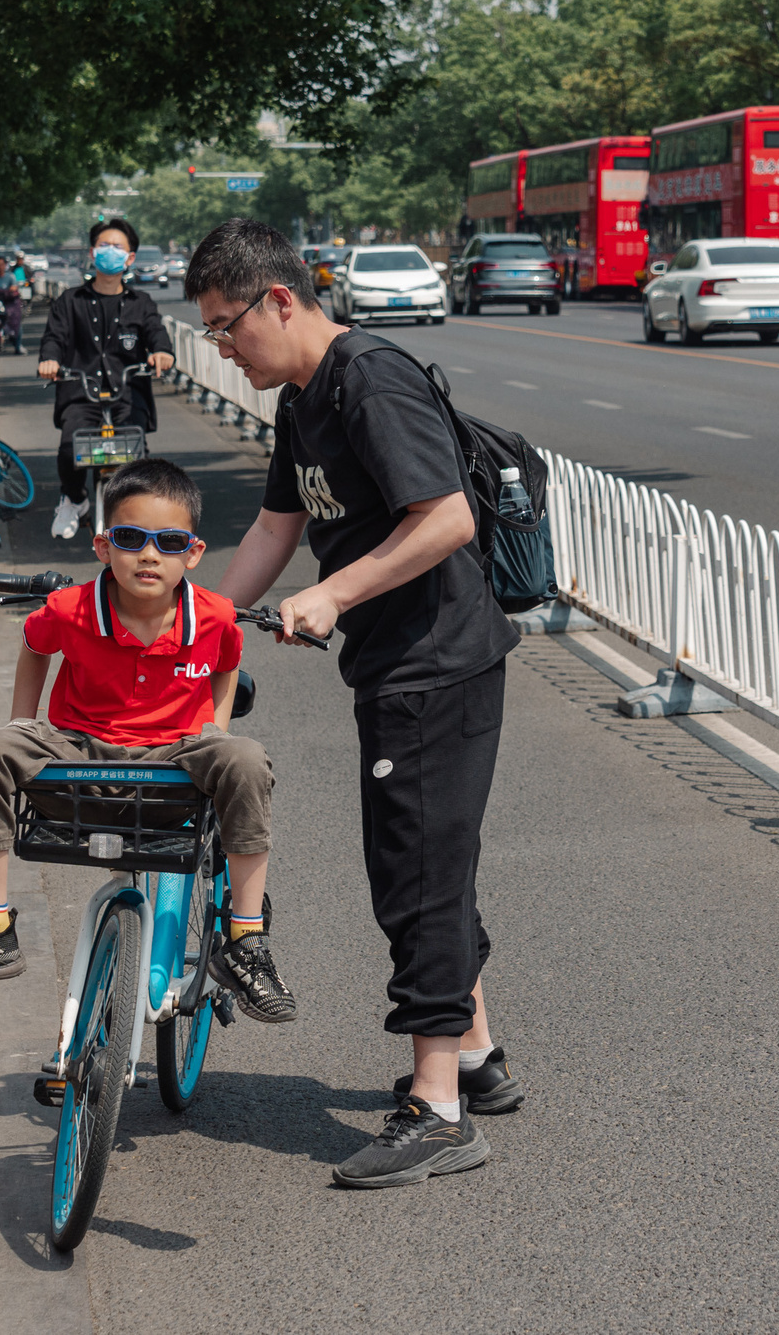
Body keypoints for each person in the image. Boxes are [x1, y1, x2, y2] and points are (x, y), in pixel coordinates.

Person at [191, 216, 524, 1191]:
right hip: (395, 663)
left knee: (413, 871)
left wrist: (333, 594)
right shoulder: (302, 400)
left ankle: (438, 1111)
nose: (219, 347)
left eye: (224, 327)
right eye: (209, 332)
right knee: (427, 859)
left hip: (438, 662)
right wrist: (199, 617)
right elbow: (275, 525)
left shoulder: (370, 377)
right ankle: (474, 1057)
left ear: (279, 301)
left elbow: (448, 517)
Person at [0, 457, 297, 1027]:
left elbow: (226, 666)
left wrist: (215, 730)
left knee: (245, 759)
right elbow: (36, 648)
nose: (150, 554)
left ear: (194, 552)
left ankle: (245, 939)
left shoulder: (214, 617)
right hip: (77, 753)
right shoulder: (70, 608)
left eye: (169, 541)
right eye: (131, 538)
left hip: (171, 761)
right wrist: (22, 725)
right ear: (104, 546)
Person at [38, 217, 173, 540]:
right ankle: (75, 499)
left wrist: (162, 352)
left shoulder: (141, 303)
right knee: (71, 448)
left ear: (130, 258)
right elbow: (54, 337)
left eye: (117, 247)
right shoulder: (69, 301)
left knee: (136, 457)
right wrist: (50, 359)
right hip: (80, 393)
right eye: (104, 245)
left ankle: (135, 516)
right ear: (92, 252)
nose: (109, 251)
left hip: (128, 395)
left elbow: (156, 332)